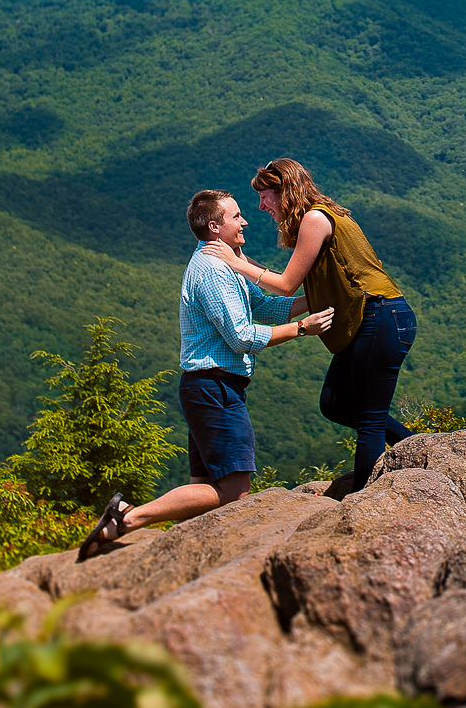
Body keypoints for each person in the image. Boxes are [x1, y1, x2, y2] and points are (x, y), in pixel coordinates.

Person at [77, 189, 334, 560]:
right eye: (236, 217)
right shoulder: (213, 270)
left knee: (205, 486)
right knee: (234, 490)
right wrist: (302, 329)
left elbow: (262, 304)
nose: (245, 221)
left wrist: (320, 296)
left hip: (206, 387)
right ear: (215, 227)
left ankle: (183, 553)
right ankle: (128, 518)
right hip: (215, 388)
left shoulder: (225, 262)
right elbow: (242, 336)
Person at [203, 157, 416, 495]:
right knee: (334, 402)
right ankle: (416, 445)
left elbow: (286, 284)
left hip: (381, 316)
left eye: (264, 196)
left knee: (370, 422)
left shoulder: (315, 219)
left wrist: (233, 262)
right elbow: (287, 280)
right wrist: (240, 260)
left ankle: (360, 500)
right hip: (374, 319)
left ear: (283, 190)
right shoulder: (317, 216)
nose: (260, 206)